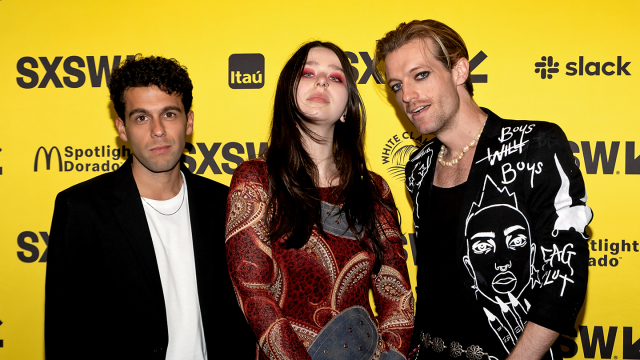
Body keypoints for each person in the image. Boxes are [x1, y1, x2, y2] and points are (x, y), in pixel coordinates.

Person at [373, 20, 592, 360]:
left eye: (421, 75)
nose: (407, 96)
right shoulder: (418, 167)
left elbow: (564, 271)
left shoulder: (534, 145)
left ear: (459, 70)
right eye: (397, 85)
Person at [45, 55, 255, 360]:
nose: (158, 130)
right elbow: (65, 335)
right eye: (141, 117)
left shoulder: (226, 203)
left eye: (169, 114)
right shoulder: (81, 209)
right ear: (121, 128)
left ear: (189, 122)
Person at [225, 41, 415, 360]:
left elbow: (396, 295)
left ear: (346, 109)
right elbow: (254, 294)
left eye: (336, 77)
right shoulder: (256, 180)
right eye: (308, 73)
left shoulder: (374, 189)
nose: (322, 81)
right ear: (288, 94)